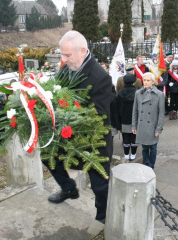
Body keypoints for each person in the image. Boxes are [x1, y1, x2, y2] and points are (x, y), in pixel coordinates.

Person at [42, 30, 112, 224]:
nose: (63, 60)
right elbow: (57, 93)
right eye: (61, 55)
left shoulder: (101, 77)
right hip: (68, 135)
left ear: (82, 51)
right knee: (47, 156)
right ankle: (69, 189)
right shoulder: (66, 69)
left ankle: (102, 219)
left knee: (100, 184)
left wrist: (68, 113)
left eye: (67, 55)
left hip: (94, 140)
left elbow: (99, 115)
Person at [132, 72, 164, 169]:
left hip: (152, 125)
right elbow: (135, 111)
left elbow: (161, 113)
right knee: (144, 148)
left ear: (153, 82)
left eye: (148, 80)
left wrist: (158, 129)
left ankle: (151, 166)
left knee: (153, 148)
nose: (145, 82)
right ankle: (145, 165)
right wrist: (134, 126)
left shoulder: (159, 94)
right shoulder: (138, 93)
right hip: (142, 125)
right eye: (144, 80)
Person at [115, 74, 138, 161]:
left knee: (126, 137)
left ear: (124, 82)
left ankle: (126, 155)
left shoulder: (120, 93)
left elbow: (118, 107)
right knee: (134, 137)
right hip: (134, 119)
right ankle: (133, 154)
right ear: (134, 82)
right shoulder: (137, 92)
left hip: (124, 118)